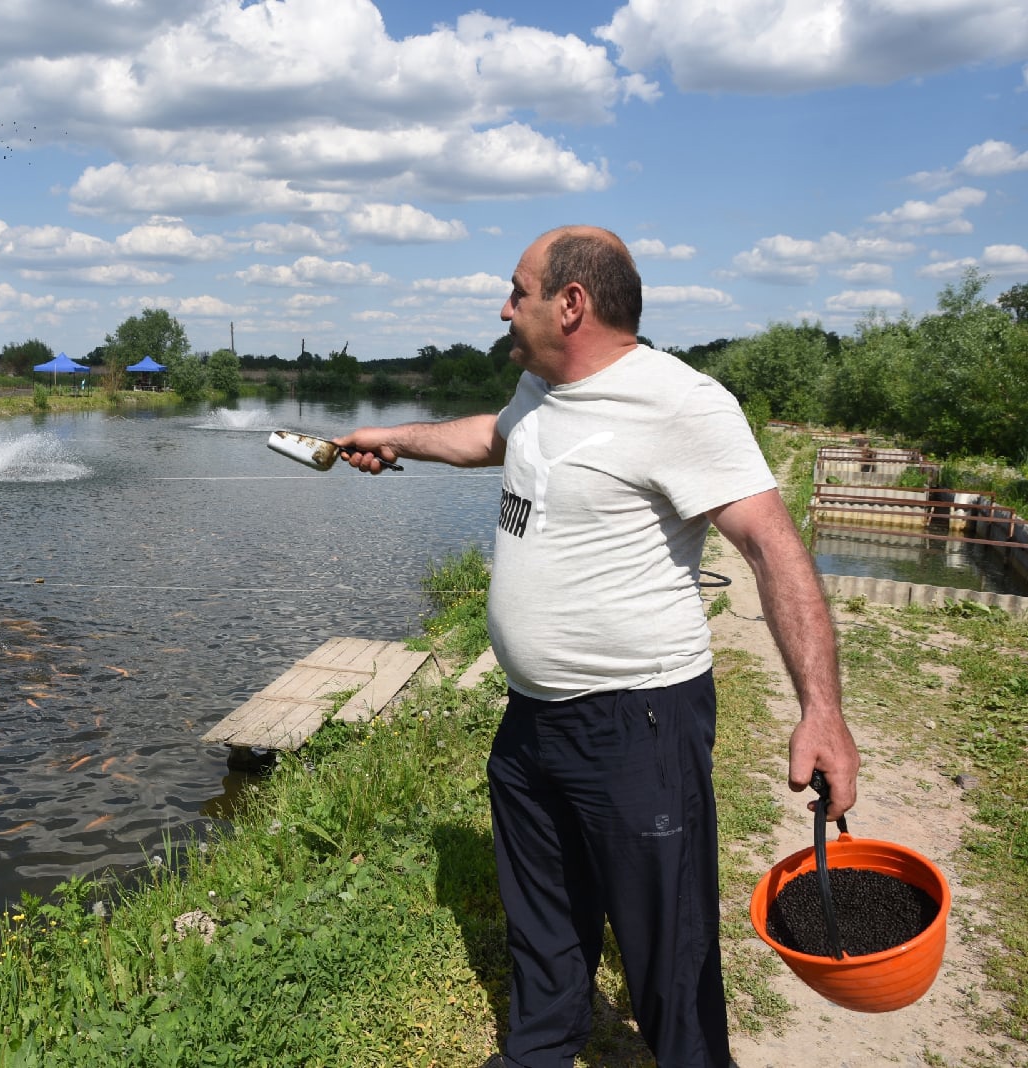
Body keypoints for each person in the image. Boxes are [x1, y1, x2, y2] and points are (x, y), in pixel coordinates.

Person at [335, 225, 859, 1068]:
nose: (504, 309)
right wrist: (396, 437)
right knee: (542, 925)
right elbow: (491, 440)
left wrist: (822, 712)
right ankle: (537, 1052)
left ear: (571, 304)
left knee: (667, 953)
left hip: (638, 725)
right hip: (531, 721)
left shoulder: (682, 404)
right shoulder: (542, 391)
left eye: (518, 291)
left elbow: (773, 547)